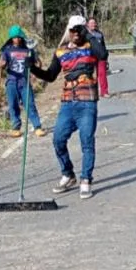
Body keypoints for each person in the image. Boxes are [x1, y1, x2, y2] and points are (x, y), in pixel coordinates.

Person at [30, 15, 108, 200]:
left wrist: (88, 35)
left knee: (86, 141)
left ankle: (86, 179)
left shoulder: (91, 46)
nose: (75, 34)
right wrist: (32, 68)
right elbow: (50, 76)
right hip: (67, 103)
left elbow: (103, 55)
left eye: (78, 30)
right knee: (58, 139)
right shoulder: (61, 52)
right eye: (72, 30)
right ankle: (68, 174)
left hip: (87, 101)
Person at [0, 26, 45, 137]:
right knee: (13, 105)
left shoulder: (28, 50)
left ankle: (37, 127)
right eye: (14, 37)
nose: (17, 40)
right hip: (12, 82)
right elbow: (1, 62)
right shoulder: (7, 50)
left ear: (22, 37)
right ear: (11, 38)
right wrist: (2, 64)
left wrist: (35, 70)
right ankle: (16, 128)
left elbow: (38, 63)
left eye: (19, 37)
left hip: (25, 81)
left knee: (30, 104)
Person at [86, 16, 110, 97]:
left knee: (102, 74)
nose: (93, 24)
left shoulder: (99, 34)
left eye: (94, 23)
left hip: (100, 57)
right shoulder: (85, 35)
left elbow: (103, 45)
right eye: (91, 23)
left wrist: (106, 57)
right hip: (90, 57)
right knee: (88, 75)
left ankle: (104, 92)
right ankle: (90, 92)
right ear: (87, 24)